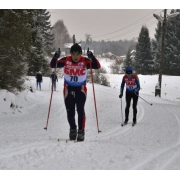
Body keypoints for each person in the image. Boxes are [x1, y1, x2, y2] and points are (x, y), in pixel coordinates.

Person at [50, 43, 101, 141]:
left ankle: (81, 131)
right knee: (70, 113)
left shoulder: (85, 61)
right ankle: (73, 129)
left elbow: (97, 66)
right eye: (73, 54)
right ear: (71, 54)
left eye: (78, 54)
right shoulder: (66, 60)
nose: (75, 56)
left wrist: (92, 57)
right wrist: (55, 57)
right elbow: (53, 65)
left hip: (81, 90)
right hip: (68, 89)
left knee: (80, 110)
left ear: (81, 54)